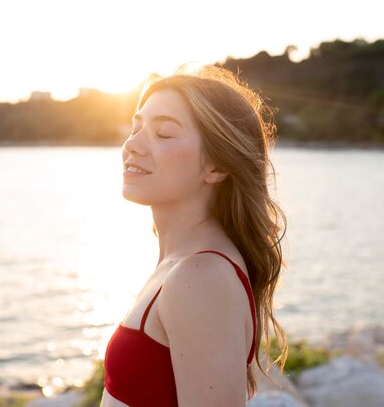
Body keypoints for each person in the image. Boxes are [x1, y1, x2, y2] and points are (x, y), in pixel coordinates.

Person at [100, 65, 287, 407]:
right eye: (136, 127)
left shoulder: (201, 278)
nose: (132, 145)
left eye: (164, 134)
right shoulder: (180, 264)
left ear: (216, 167)